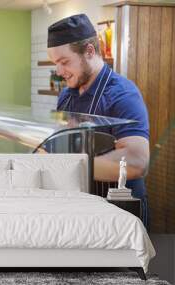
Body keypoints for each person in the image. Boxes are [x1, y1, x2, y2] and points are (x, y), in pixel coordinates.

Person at [47, 14, 150, 226]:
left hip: (120, 213)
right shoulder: (66, 96)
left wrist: (69, 165)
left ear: (89, 51)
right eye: (55, 63)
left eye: (64, 62)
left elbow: (137, 162)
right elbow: (57, 142)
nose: (58, 72)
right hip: (82, 209)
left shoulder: (123, 95)